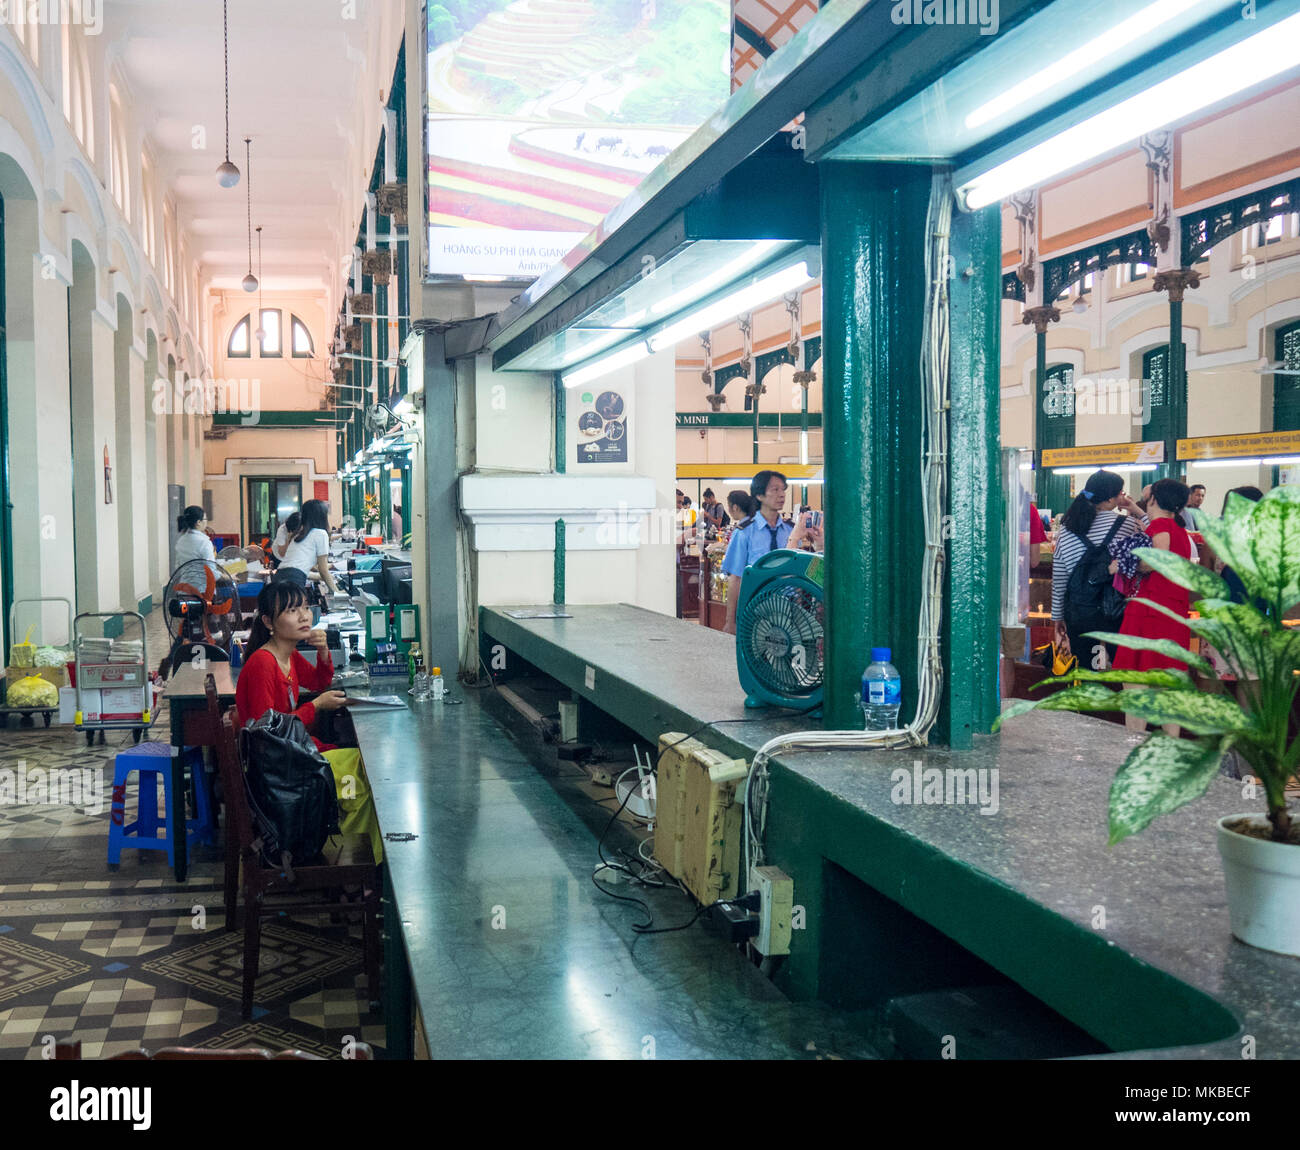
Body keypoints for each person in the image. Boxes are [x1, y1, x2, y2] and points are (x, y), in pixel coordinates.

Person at [234, 581, 382, 862]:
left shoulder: (286, 654)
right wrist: (315, 705)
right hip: (281, 773)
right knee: (363, 779)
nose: (304, 616)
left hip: (295, 758)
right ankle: (345, 863)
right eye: (292, 610)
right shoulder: (263, 664)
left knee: (364, 772)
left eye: (304, 607)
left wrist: (325, 650)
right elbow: (267, 734)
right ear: (268, 621)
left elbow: (319, 680)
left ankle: (351, 863)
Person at [1112, 479, 1193, 736]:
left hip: (1149, 611)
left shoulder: (1160, 526)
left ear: (1155, 499)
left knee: (1135, 683)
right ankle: (1171, 746)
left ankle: (1133, 743)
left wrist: (1123, 564)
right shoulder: (1179, 530)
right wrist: (1134, 508)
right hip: (1173, 612)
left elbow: (1156, 560)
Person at [1051, 469, 1146, 668]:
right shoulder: (1128, 525)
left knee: (1084, 668)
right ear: (1113, 499)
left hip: (1079, 611)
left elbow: (1060, 577)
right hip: (1116, 610)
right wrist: (1138, 511)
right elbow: (1159, 541)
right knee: (1121, 668)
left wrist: (1058, 617)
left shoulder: (1067, 529)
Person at [721, 470, 822, 635]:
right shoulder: (745, 532)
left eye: (783, 490)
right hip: (757, 610)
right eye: (775, 490)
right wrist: (730, 621)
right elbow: (736, 579)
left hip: (791, 611)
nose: (781, 495)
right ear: (759, 495)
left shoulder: (791, 529)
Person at [274, 499, 339, 594]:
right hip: (294, 579)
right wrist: (337, 592)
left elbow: (301, 565)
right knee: (296, 608)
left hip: (279, 575)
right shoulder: (320, 534)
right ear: (322, 516)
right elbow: (323, 570)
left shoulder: (298, 535)